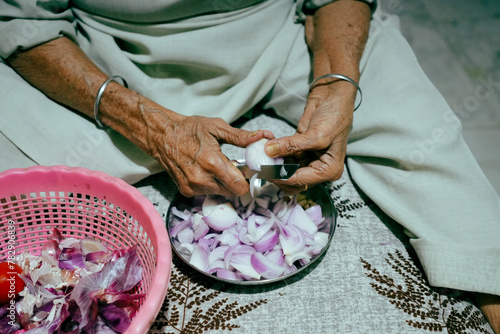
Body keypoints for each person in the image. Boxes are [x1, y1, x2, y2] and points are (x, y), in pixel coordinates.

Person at [0, 0, 499, 331]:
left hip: (279, 38)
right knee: (25, 196)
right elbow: (23, 21)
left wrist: (335, 84)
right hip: (104, 54)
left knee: (429, 147)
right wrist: (149, 125)